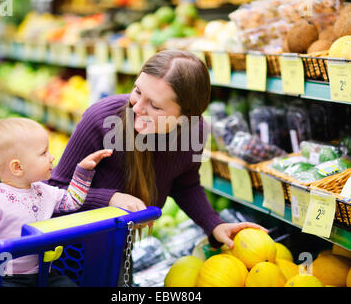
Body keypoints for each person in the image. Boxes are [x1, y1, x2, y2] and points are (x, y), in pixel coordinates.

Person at [47, 50, 267, 283]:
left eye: (155, 105)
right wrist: (110, 200)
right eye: (137, 91)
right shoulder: (101, 119)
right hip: (67, 250)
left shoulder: (195, 131)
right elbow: (54, 190)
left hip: (118, 246)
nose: (137, 107)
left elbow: (185, 184)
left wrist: (214, 224)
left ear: (185, 117)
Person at [0, 117, 112, 287]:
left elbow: (72, 201)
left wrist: (83, 170)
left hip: (43, 271)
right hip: (5, 276)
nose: (51, 157)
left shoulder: (44, 190)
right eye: (43, 153)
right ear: (17, 167)